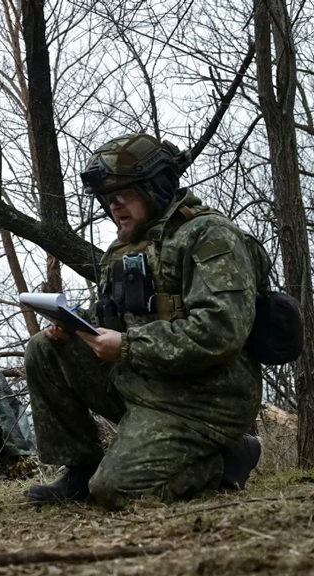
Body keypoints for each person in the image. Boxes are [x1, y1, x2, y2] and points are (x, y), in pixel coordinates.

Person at [24, 133, 265, 510]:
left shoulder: (209, 236)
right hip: (146, 380)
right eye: (107, 200)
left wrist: (130, 346)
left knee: (116, 490)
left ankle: (226, 459)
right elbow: (114, 319)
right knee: (45, 348)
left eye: (122, 196)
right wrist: (75, 325)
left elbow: (220, 330)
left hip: (205, 397)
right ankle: (82, 468)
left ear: (155, 187)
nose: (113, 207)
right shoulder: (124, 247)